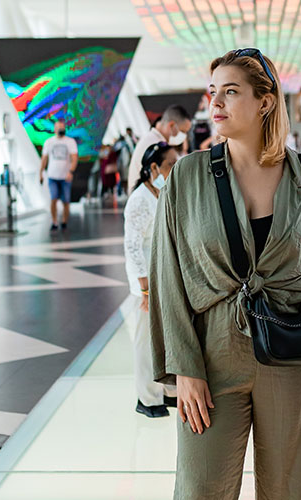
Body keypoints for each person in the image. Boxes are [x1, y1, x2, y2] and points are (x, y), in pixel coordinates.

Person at [149, 48, 301, 499]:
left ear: (265, 102)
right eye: (213, 93)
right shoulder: (187, 177)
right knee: (200, 488)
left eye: (231, 92)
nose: (216, 104)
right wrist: (184, 367)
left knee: (292, 489)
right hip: (213, 356)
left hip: (296, 355)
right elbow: (167, 275)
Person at [123, 141, 179, 418]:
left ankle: (168, 390)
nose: (174, 168)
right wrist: (144, 288)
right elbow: (133, 246)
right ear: (153, 167)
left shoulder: (162, 193)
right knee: (146, 341)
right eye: (170, 163)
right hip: (147, 284)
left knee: (166, 338)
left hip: (163, 279)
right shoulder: (140, 200)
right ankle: (147, 398)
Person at [127, 105, 191, 195]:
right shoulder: (154, 146)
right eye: (183, 131)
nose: (184, 136)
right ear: (171, 125)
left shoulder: (153, 140)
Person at [39, 120, 78, 231]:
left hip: (65, 176)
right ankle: (54, 221)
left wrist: (71, 171)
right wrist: (40, 172)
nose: (61, 129)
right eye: (58, 127)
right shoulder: (49, 142)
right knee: (53, 199)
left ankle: (64, 221)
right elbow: (44, 159)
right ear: (54, 129)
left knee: (66, 200)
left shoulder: (70, 142)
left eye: (62, 127)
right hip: (52, 176)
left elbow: (74, 158)